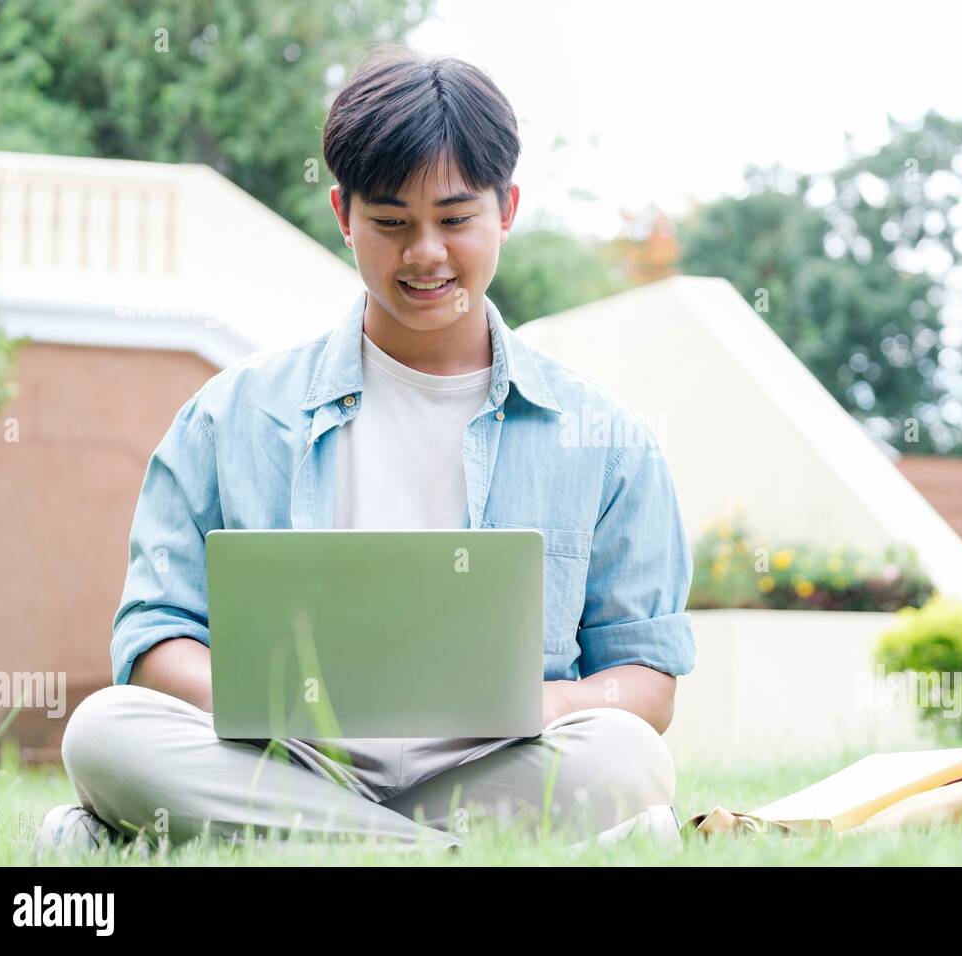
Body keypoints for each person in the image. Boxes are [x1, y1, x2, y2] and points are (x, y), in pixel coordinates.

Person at [35, 46, 696, 859]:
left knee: (628, 757)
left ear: (508, 208)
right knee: (105, 731)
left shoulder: (606, 439)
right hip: (281, 760)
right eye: (391, 222)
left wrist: (556, 706)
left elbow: (647, 680)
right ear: (344, 213)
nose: (425, 253)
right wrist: (277, 709)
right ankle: (433, 853)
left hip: (493, 767)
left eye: (455, 219)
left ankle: (258, 844)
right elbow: (154, 636)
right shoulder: (229, 418)